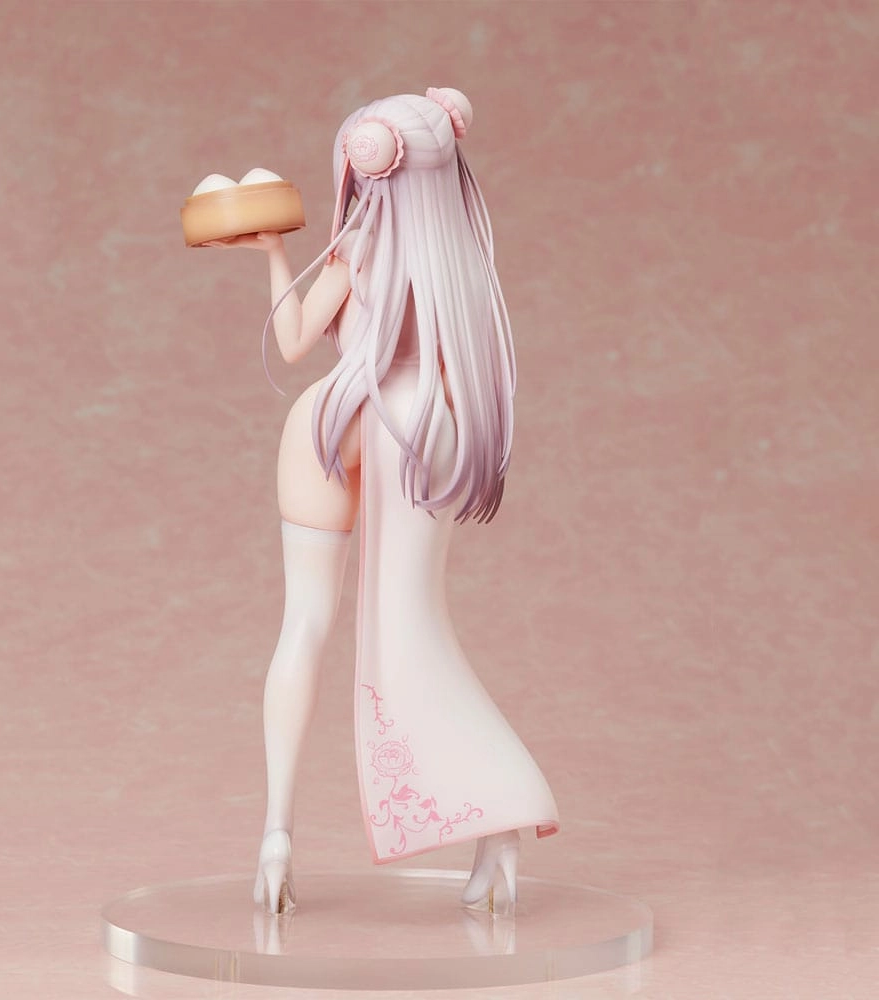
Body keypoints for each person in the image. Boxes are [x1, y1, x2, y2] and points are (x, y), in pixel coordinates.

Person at [216, 89, 558, 916]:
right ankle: (499, 820)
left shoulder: (358, 244)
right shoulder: (462, 256)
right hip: (427, 421)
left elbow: (295, 343)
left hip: (336, 420)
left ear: (366, 163)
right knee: (417, 622)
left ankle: (276, 834)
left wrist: (273, 252)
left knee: (305, 623)